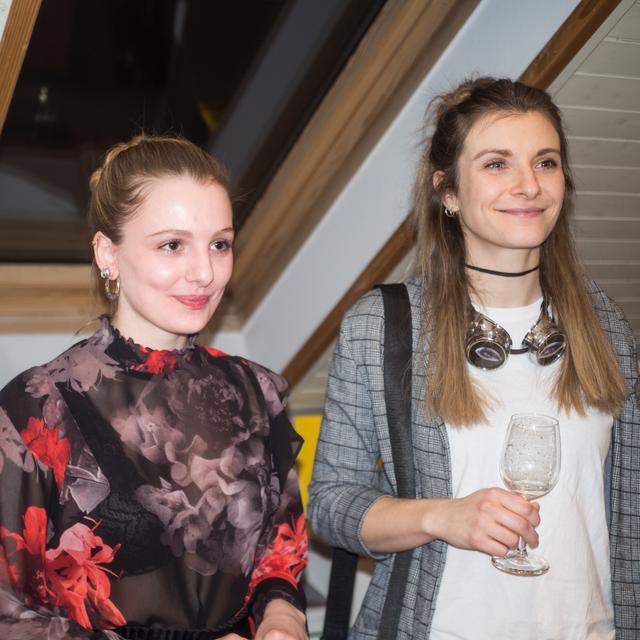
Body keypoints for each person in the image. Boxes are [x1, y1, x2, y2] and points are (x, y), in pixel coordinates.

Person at [307, 77, 640, 639]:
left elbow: (629, 511)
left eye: (546, 162)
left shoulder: (605, 324)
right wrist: (442, 516)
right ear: (448, 191)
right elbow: (330, 506)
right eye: (496, 164)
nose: (528, 185)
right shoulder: (381, 327)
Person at [0, 135, 308, 640]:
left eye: (220, 244)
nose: (205, 272)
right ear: (108, 254)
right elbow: (9, 616)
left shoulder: (254, 392)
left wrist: (282, 616)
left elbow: (281, 546)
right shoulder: (36, 409)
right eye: (172, 245)